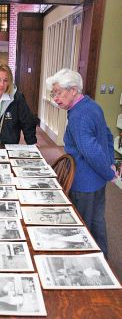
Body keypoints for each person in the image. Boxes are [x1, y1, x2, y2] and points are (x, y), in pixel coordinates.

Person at [46, 68, 118, 258]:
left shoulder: (79, 116)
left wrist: (109, 172)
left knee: (82, 226)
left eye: (58, 93)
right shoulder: (92, 105)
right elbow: (108, 136)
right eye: (53, 94)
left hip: (84, 182)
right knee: (97, 222)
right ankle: (103, 260)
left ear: (73, 90)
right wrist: (110, 165)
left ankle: (86, 263)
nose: (55, 98)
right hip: (97, 180)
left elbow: (91, 151)